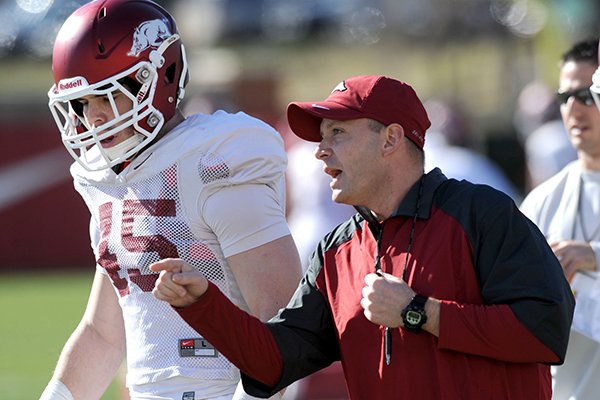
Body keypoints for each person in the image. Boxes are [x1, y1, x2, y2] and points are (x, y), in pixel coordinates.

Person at [152, 75, 575, 399]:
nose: (320, 150)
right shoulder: (335, 251)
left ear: (391, 138)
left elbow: (546, 328)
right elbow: (274, 363)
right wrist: (203, 303)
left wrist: (418, 312)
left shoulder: (481, 212)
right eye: (321, 137)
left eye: (338, 133)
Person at [39, 1, 302, 399]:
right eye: (81, 104)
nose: (92, 118)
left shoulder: (214, 162)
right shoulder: (112, 181)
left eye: (107, 97)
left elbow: (281, 322)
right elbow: (102, 334)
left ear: (162, 76)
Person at [521, 38, 600, 399]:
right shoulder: (543, 200)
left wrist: (593, 256)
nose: (574, 110)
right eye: (565, 98)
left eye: (586, 96)